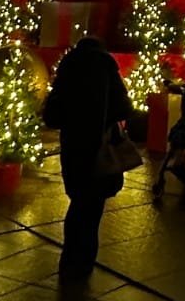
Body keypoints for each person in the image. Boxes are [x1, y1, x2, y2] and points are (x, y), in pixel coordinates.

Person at [42, 34, 131, 280]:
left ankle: (69, 260)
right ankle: (84, 263)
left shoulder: (68, 66)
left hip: (74, 145)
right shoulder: (107, 66)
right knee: (93, 211)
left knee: (77, 203)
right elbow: (124, 107)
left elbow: (52, 114)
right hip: (100, 146)